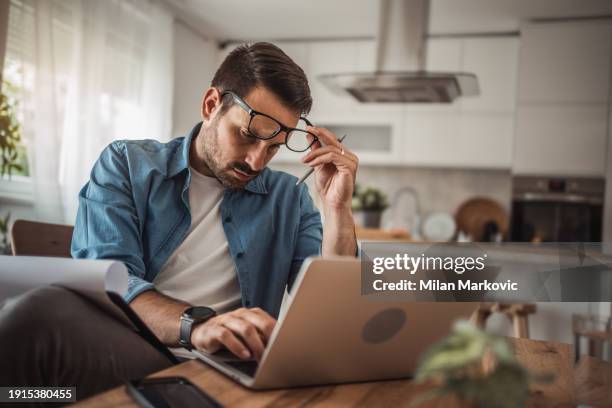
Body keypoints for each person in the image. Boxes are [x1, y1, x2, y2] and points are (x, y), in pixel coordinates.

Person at [0, 42, 358, 400]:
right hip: (138, 347)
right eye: (248, 136)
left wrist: (337, 208)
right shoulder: (127, 164)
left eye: (274, 148)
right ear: (211, 105)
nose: (256, 161)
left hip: (231, 369)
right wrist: (197, 324)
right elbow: (109, 280)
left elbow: (331, 306)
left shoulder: (289, 198)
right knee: (37, 316)